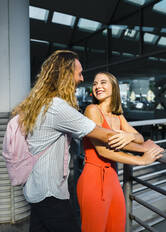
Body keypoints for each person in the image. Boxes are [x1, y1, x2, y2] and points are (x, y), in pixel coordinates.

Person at [12, 51, 163, 232]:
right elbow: (106, 139)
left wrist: (133, 137)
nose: (83, 79)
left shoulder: (47, 104)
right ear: (66, 75)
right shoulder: (60, 107)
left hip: (38, 188)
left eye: (102, 82)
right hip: (49, 192)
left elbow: (129, 136)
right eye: (80, 73)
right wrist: (142, 155)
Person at [77, 72, 164, 232]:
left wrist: (128, 135)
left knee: (117, 227)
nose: (98, 86)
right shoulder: (92, 110)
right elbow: (103, 151)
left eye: (103, 82)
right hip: (94, 179)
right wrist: (142, 160)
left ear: (114, 87)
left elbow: (138, 138)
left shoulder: (118, 116)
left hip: (113, 180)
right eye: (95, 83)